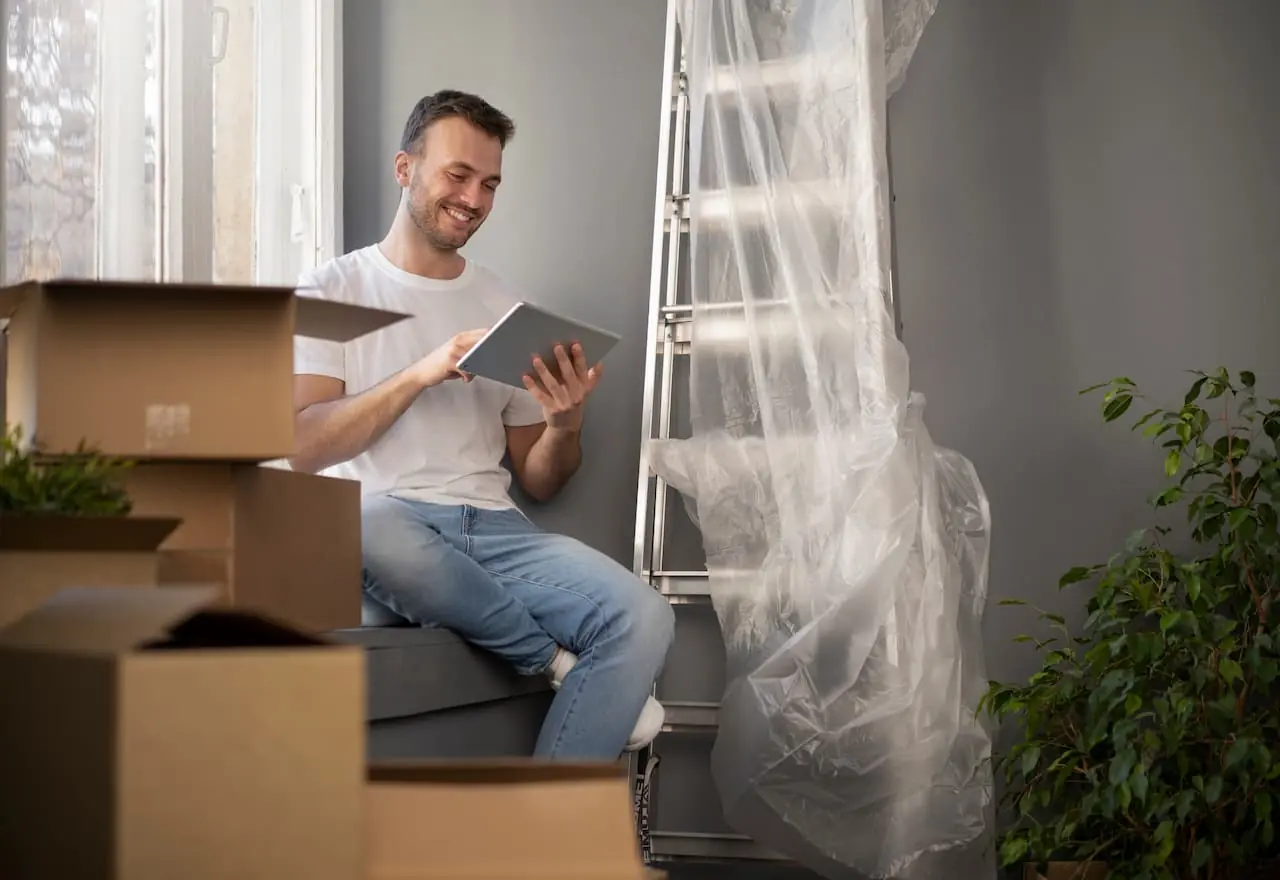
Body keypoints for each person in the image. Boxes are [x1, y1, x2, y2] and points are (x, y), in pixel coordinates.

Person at [288, 90, 674, 760]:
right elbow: (302, 448)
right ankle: (548, 661)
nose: (473, 199)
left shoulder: (504, 305)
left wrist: (565, 423)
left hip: (494, 534)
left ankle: (535, 845)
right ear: (405, 169)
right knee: (362, 521)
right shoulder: (328, 291)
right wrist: (420, 372)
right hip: (387, 527)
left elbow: (541, 480)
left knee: (646, 616)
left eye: (490, 184)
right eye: (457, 175)